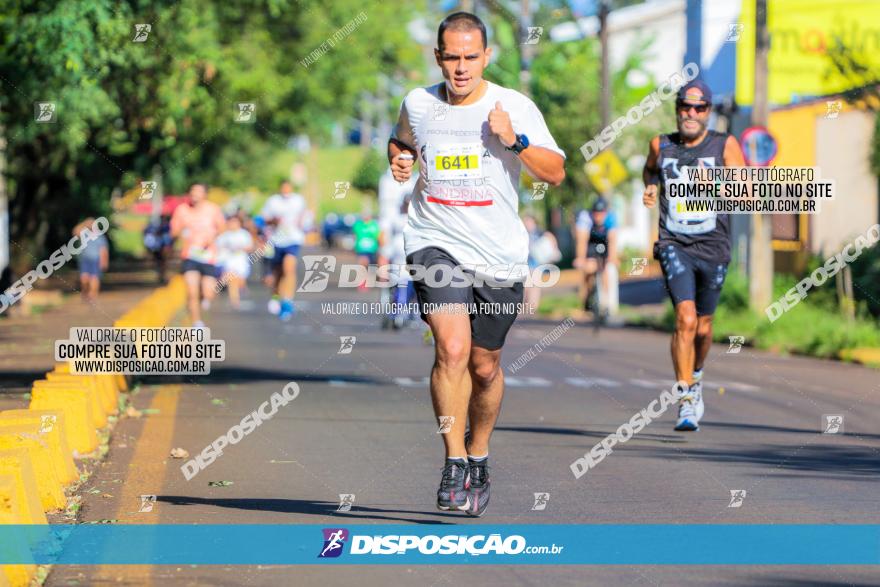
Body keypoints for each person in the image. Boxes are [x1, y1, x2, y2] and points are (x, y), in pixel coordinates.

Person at [388, 11, 565, 516]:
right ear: (438, 56)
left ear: (486, 56)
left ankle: (479, 453)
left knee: (484, 367)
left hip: (498, 253)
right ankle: (454, 461)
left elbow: (555, 173)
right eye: (452, 57)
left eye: (471, 57)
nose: (461, 68)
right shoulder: (418, 103)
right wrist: (398, 158)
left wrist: (515, 140)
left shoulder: (514, 106)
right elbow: (402, 140)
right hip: (433, 239)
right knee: (452, 347)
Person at [642, 79, 746, 431]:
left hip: (714, 245)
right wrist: (652, 186)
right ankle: (685, 397)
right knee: (685, 320)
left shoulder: (724, 145)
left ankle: (697, 375)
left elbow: (744, 191)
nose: (691, 113)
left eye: (699, 108)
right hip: (674, 243)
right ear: (677, 109)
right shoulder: (661, 145)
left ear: (708, 112)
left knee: (704, 327)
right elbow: (649, 170)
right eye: (685, 106)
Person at [170, 183, 226, 328]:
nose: (194, 194)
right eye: (192, 191)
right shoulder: (182, 210)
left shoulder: (213, 209)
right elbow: (174, 231)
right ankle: (197, 322)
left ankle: (200, 300)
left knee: (208, 294)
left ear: (204, 194)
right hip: (190, 256)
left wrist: (212, 238)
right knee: (192, 290)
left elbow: (222, 228)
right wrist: (181, 231)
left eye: (198, 192)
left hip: (208, 256)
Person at [260, 181, 310, 321]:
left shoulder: (298, 200)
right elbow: (264, 219)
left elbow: (305, 216)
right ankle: (276, 295)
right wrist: (273, 221)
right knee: (277, 272)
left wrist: (304, 225)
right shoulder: (273, 201)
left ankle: (287, 301)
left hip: (293, 239)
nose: (286, 190)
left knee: (289, 269)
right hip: (276, 240)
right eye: (283, 188)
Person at [573, 198, 618, 316]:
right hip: (590, 243)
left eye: (601, 214)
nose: (598, 217)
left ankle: (606, 303)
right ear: (592, 213)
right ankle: (586, 299)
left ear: (605, 213)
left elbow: (612, 240)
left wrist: (613, 258)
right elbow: (582, 241)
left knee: (605, 269)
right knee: (587, 269)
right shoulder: (585, 217)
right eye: (596, 214)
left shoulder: (611, 218)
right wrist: (580, 258)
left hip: (604, 243)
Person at [215, 215, 255, 309]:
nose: (233, 224)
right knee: (232, 279)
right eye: (231, 222)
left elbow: (250, 247)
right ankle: (234, 301)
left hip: (241, 262)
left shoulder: (244, 234)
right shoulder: (224, 235)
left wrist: (239, 248)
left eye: (235, 222)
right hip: (228, 262)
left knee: (239, 281)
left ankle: (241, 287)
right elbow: (217, 247)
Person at [523, 214, 561, 312]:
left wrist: (555, 249)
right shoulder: (523, 233)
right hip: (526, 263)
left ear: (534, 222)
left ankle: (532, 307)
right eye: (526, 222)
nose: (527, 224)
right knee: (527, 285)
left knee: (535, 285)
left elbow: (550, 237)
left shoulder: (539, 232)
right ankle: (528, 306)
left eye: (529, 222)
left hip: (536, 263)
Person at [73, 218, 109, 302]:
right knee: (84, 278)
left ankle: (93, 296)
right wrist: (84, 223)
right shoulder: (84, 234)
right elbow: (75, 231)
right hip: (85, 259)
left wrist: (104, 262)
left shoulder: (100, 237)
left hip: (96, 259)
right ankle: (85, 292)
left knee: (94, 278)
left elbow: (103, 250)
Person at [352, 210, 380, 292]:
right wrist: (354, 247)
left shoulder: (374, 225)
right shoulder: (358, 225)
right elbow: (355, 236)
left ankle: (368, 280)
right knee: (363, 263)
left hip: (372, 249)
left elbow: (378, 237)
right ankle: (362, 282)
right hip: (361, 249)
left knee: (369, 266)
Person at [143, 214, 173, 284]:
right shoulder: (153, 226)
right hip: (157, 247)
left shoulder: (165, 227)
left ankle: (161, 275)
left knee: (161, 261)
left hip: (161, 247)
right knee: (159, 261)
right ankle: (160, 275)